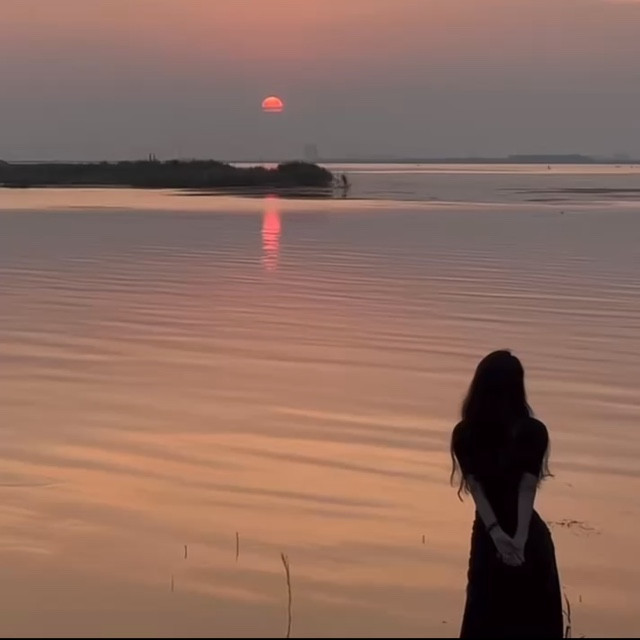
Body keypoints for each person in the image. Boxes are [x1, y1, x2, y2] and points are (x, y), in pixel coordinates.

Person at [450, 350, 563, 638]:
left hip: (488, 536)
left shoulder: (464, 433)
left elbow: (477, 489)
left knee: (483, 618)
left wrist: (497, 533)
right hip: (528, 537)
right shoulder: (533, 431)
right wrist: (520, 539)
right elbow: (526, 488)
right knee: (534, 620)